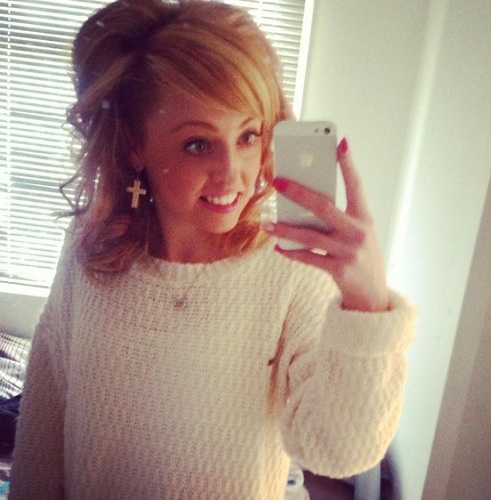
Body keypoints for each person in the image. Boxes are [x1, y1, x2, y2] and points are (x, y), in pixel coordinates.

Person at [9, 1, 416, 499]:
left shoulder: (291, 270)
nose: (233, 174)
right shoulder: (90, 249)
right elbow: (44, 424)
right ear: (136, 146)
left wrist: (367, 305)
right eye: (199, 144)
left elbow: (338, 453)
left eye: (248, 136)